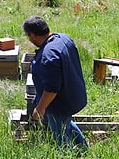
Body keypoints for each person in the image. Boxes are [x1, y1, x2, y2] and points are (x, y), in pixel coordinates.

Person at [23, 16, 89, 151]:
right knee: (66, 122)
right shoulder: (63, 38)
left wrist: (40, 108)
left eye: (28, 36)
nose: (29, 39)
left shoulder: (49, 55)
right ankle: (83, 149)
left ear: (33, 35)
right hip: (74, 94)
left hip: (59, 103)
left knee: (60, 137)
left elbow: (52, 88)